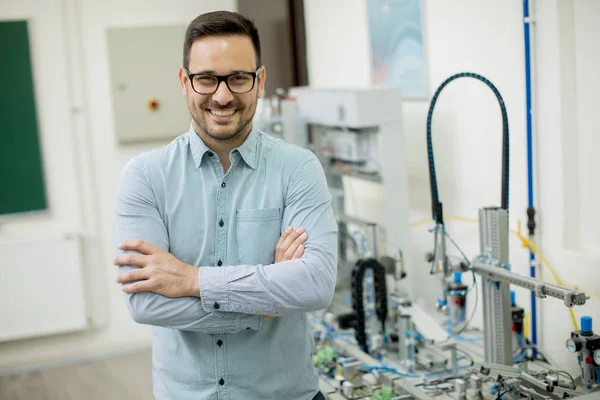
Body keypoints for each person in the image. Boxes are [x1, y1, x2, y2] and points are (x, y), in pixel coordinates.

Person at [113, 10, 338, 400]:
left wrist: (191, 280)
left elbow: (315, 285)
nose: (222, 95)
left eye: (238, 78)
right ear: (185, 82)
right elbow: (146, 303)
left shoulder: (298, 169)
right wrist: (266, 302)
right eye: (206, 79)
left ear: (260, 81)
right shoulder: (145, 177)